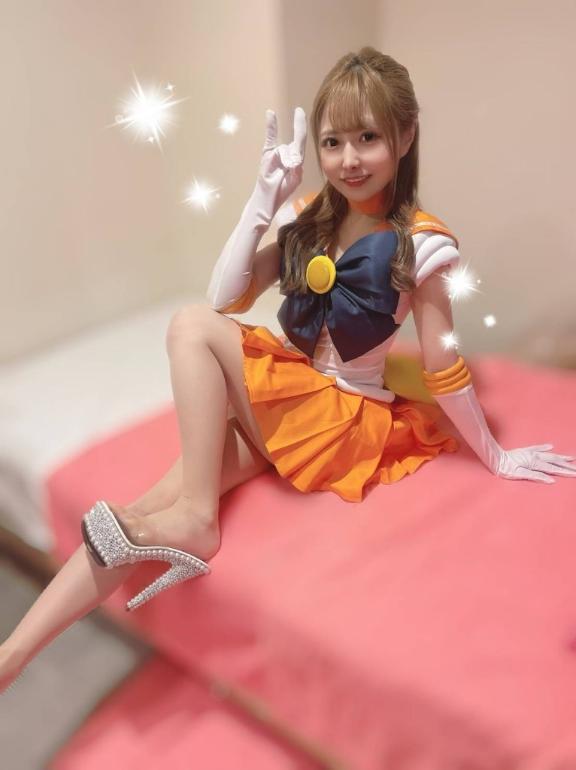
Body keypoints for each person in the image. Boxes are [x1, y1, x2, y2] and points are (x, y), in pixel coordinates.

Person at [1, 47, 574, 694]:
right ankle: (12, 657)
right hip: (285, 405)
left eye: (367, 138)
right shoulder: (307, 218)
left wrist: (496, 455)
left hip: (339, 417)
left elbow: (443, 362)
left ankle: (197, 521)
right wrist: (261, 198)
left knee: (189, 326)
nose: (349, 158)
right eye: (333, 142)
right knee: (139, 512)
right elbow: (227, 295)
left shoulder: (423, 242)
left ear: (405, 135)